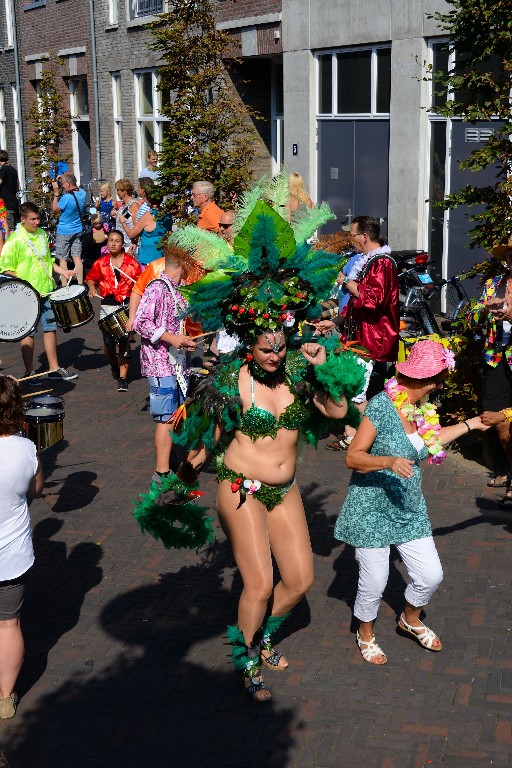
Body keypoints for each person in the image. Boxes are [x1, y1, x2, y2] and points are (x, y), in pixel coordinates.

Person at [134, 197, 365, 702]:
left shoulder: (301, 370)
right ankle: (245, 660)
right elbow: (205, 440)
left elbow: (338, 412)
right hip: (240, 488)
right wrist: (180, 481)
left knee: (301, 581)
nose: (275, 353)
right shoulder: (230, 380)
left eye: (280, 345)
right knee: (259, 584)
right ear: (248, 343)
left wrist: (326, 367)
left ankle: (259, 638)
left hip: (284, 491)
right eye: (265, 347)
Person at [334, 339, 488, 664]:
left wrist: (472, 423)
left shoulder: (418, 409)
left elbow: (429, 440)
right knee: (375, 581)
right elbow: (353, 457)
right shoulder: (381, 406)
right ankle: (364, 632)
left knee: (431, 575)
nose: (439, 386)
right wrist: (388, 461)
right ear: (427, 379)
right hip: (372, 508)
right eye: (438, 380)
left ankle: (410, 618)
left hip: (407, 506)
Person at [317, 216, 398, 451]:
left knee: (357, 391)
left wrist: (345, 280)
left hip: (373, 337)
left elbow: (373, 300)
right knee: (351, 386)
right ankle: (353, 436)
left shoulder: (382, 263)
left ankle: (369, 441)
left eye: (352, 236)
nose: (350, 240)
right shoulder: (367, 261)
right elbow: (356, 303)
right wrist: (337, 321)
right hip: (357, 334)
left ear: (364, 236)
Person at [132, 245, 198, 481]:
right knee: (166, 418)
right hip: (160, 364)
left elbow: (173, 326)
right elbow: (141, 322)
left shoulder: (176, 290)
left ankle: (170, 460)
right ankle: (161, 472)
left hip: (175, 363)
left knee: (175, 414)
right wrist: (173, 338)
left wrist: (185, 341)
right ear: (179, 264)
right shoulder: (158, 288)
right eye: (189, 263)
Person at [0, 375, 44, 718]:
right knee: (8, 625)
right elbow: (36, 490)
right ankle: (5, 697)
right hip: (12, 557)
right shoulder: (27, 448)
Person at [0, 202, 78, 383]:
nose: (37, 222)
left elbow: (48, 261)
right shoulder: (15, 240)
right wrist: (22, 287)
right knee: (28, 332)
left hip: (46, 291)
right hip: (26, 296)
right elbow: (6, 269)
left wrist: (63, 272)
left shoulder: (42, 234)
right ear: (22, 219)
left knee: (50, 328)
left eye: (38, 218)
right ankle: (30, 372)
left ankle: (53, 368)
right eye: (33, 219)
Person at [468, 235, 512, 503]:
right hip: (496, 359)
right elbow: (472, 318)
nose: (511, 259)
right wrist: (485, 310)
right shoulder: (493, 284)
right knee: (495, 419)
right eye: (509, 255)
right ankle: (508, 469)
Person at [86, 230, 141, 391]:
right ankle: (113, 364)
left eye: (117, 241)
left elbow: (140, 284)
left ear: (122, 244)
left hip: (125, 305)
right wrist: (91, 288)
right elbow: (91, 278)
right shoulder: (101, 262)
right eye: (110, 240)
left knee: (123, 341)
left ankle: (123, 378)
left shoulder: (132, 263)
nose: (113, 243)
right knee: (108, 343)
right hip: (107, 305)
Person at [121, 185, 172, 268]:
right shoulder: (167, 215)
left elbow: (131, 234)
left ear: (148, 199)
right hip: (163, 258)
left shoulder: (148, 216)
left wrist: (122, 221)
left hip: (149, 260)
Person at [52, 172, 87, 285]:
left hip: (64, 231)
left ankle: (64, 285)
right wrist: (60, 177)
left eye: (62, 184)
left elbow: (54, 210)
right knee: (77, 258)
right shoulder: (83, 193)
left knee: (63, 259)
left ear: (68, 183)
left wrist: (56, 193)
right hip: (77, 229)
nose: (61, 186)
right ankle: (81, 284)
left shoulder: (66, 197)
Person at [114, 179, 140, 253]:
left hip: (130, 246)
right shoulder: (124, 205)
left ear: (124, 191)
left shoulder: (134, 205)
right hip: (121, 245)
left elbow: (137, 227)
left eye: (118, 190)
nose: (117, 192)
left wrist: (134, 243)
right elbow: (126, 217)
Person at [0, 150, 20, 232]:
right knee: (12, 228)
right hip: (13, 203)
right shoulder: (13, 169)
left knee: (8, 228)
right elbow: (18, 186)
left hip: (6, 204)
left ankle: (10, 245)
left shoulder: (3, 169)